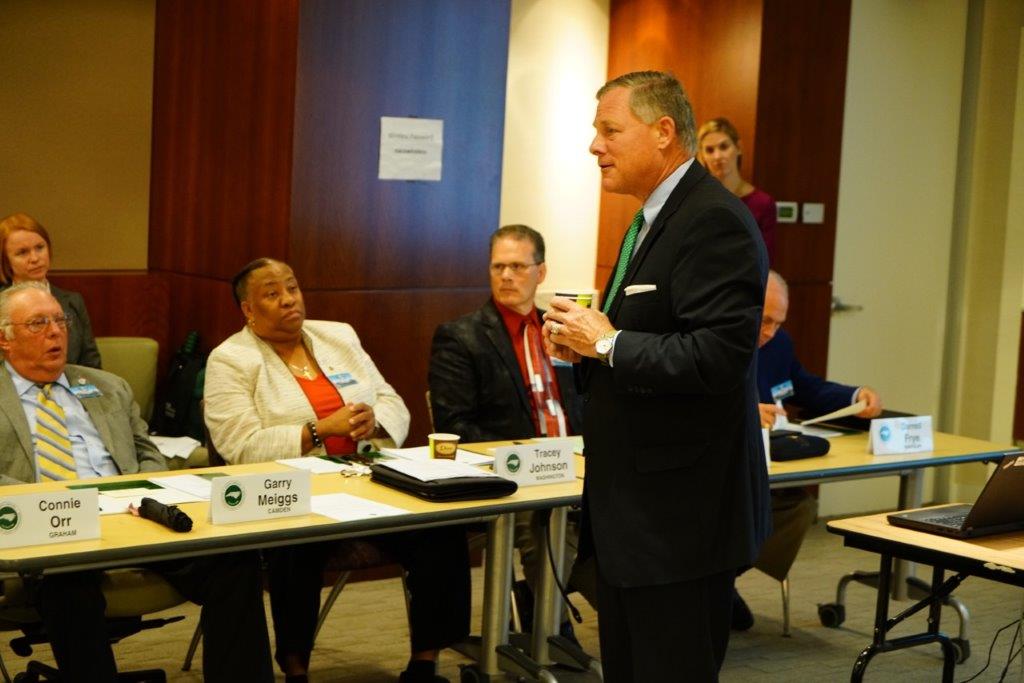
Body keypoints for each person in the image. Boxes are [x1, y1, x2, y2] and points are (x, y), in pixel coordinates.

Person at [542, 71, 770, 681]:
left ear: (664, 132)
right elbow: (652, 335)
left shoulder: (712, 220)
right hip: (635, 514)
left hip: (680, 522)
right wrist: (586, 349)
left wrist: (610, 342)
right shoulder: (651, 218)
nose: (595, 146)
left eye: (609, 130)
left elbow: (716, 357)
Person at [204, 258, 469, 683]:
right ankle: (296, 669)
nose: (288, 299)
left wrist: (374, 421)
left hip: (366, 480)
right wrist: (316, 430)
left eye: (292, 287)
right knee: (296, 540)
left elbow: (391, 400)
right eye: (272, 294)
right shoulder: (231, 360)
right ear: (248, 310)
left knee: (439, 526)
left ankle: (424, 662)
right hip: (290, 491)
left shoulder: (338, 336)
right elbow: (240, 446)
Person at [0, 282, 272, 682]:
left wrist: (144, 496)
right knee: (67, 580)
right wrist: (55, 504)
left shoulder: (108, 386)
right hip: (52, 531)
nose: (56, 332)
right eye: (38, 323)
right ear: (5, 340)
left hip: (133, 520)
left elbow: (148, 454)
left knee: (234, 562)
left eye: (60, 320)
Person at [428, 224, 596, 624]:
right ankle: (551, 635)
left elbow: (588, 403)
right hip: (517, 477)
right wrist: (528, 456)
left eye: (518, 266)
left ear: (542, 272)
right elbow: (456, 425)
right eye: (498, 266)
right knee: (544, 533)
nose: (506, 276)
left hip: (582, 467)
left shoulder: (566, 330)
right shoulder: (461, 337)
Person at [733, 270, 883, 629]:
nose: (769, 332)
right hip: (721, 464)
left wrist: (853, 396)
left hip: (771, 462)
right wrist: (744, 412)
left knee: (798, 506)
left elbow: (803, 386)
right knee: (740, 510)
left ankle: (722, 579)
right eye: (764, 321)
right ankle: (710, 583)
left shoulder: (777, 344)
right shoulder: (716, 341)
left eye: (777, 323)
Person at [0, 213, 102, 368]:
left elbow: (91, 364)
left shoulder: (73, 301)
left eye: (40, 248)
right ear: (5, 261)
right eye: (22, 252)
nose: (34, 258)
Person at [697, 118, 777, 262]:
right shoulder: (696, 201)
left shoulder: (762, 203)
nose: (718, 156)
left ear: (738, 147)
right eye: (710, 150)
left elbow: (765, 258)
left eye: (724, 147)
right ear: (702, 156)